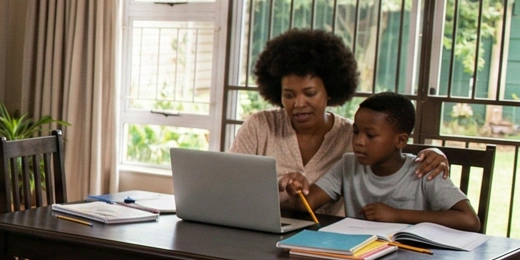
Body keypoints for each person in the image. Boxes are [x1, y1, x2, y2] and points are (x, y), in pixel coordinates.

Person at [229, 28, 449, 216]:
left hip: (326, 239)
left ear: (330, 92)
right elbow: (229, 182)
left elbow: (392, 153)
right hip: (258, 230)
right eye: (289, 95)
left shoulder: (352, 135)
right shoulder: (260, 126)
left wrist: (436, 153)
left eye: (310, 93)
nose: (298, 103)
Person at [280, 92, 480, 232]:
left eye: (371, 135)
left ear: (400, 140)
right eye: (356, 132)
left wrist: (397, 215)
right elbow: (308, 203)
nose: (358, 141)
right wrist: (296, 190)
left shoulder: (425, 169)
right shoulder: (348, 164)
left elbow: (469, 220)